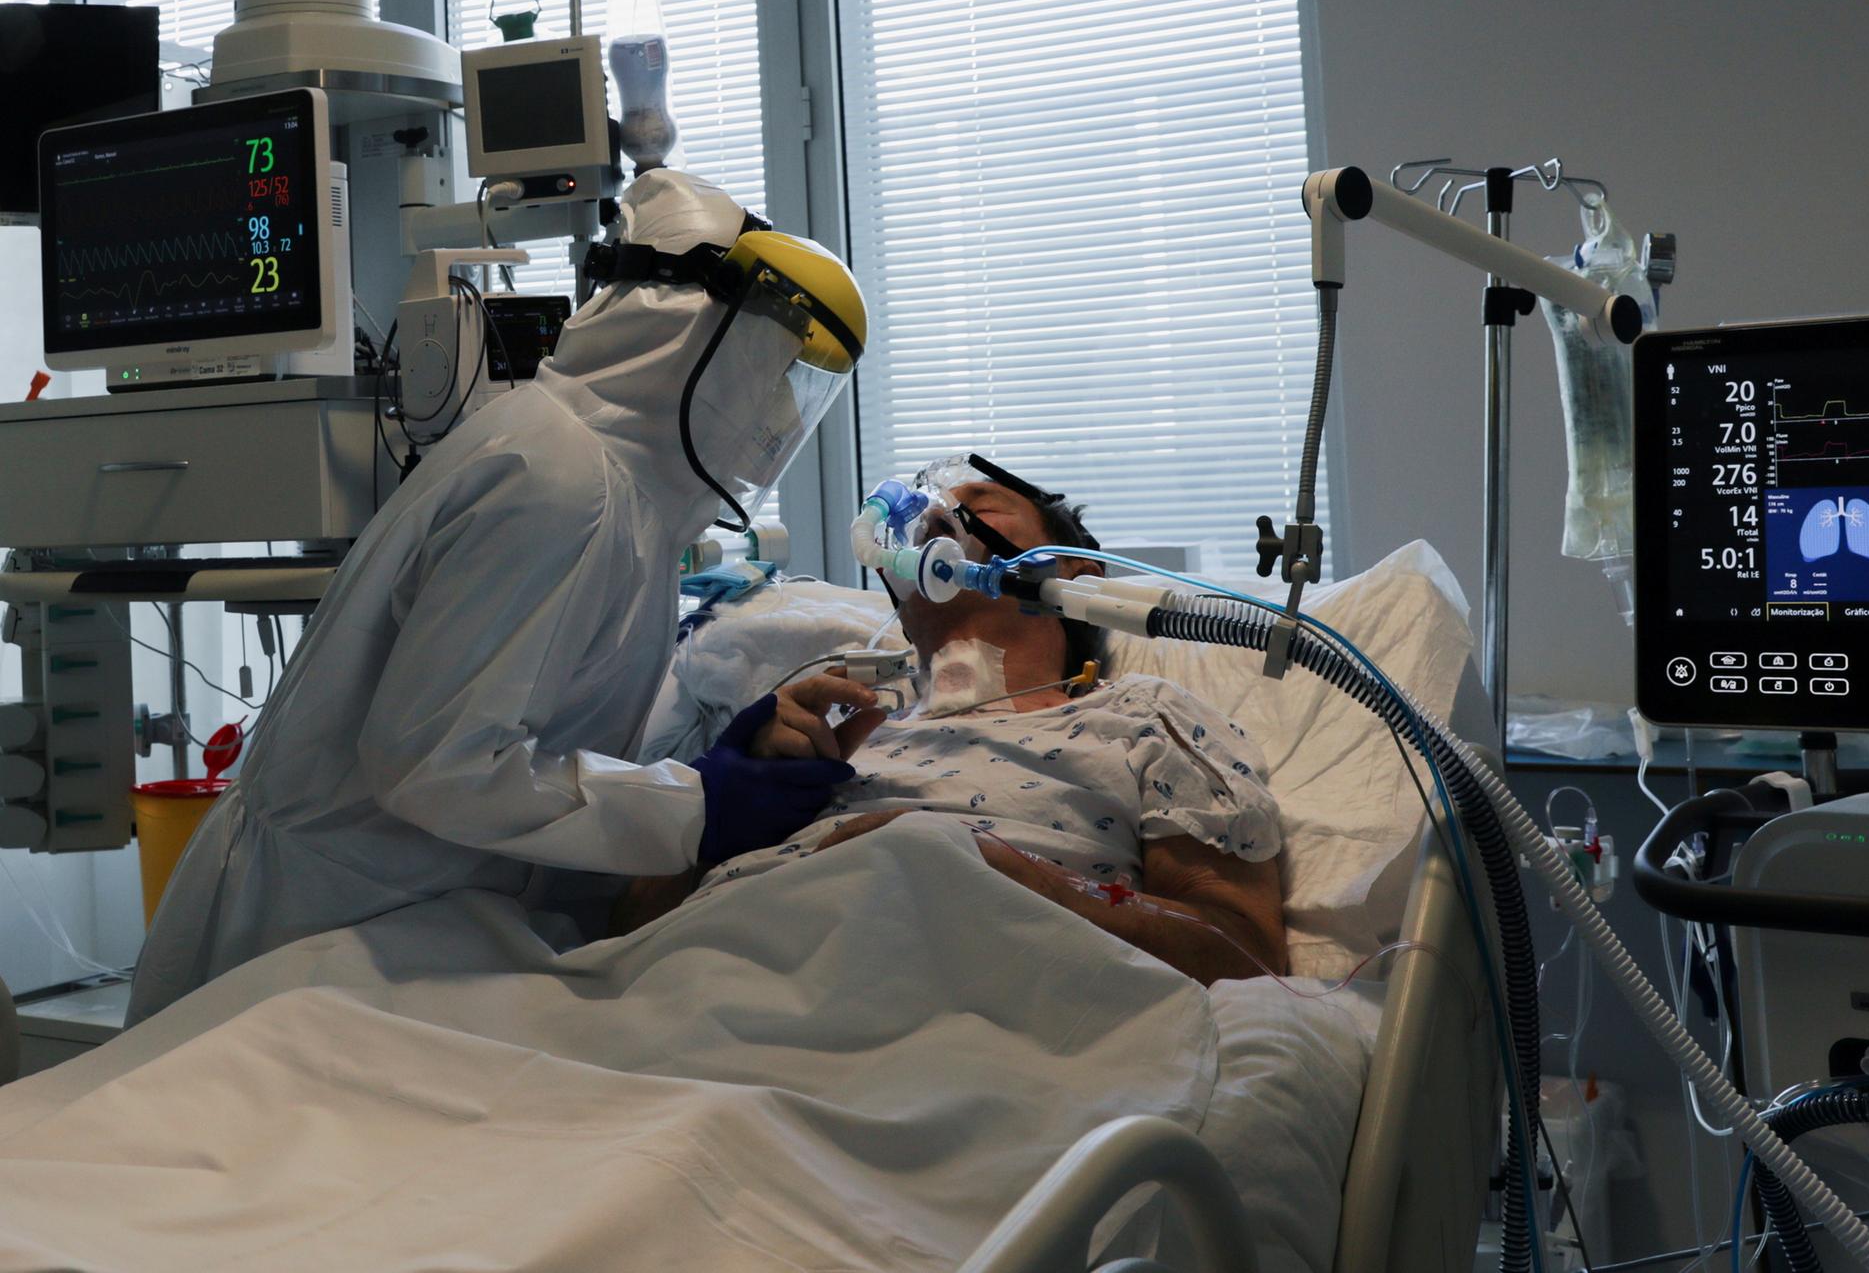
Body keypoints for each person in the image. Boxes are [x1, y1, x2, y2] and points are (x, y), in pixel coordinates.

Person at [128, 170, 874, 1024]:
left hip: (410, 934)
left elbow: (539, 729)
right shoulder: (557, 482)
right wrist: (692, 805)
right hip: (317, 937)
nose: (779, 406)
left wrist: (696, 771)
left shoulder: (621, 492)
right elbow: (437, 766)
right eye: (772, 360)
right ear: (689, 329)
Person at [613, 460, 1287, 985]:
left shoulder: (1146, 721)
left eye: (980, 506)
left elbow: (1246, 960)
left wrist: (1001, 873)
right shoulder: (826, 731)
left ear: (1077, 573)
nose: (937, 519)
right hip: (702, 992)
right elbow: (625, 930)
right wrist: (715, 808)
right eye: (929, 521)